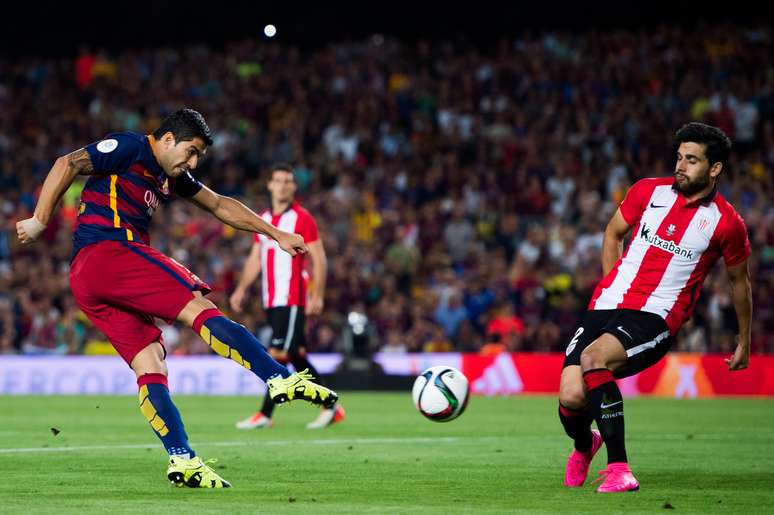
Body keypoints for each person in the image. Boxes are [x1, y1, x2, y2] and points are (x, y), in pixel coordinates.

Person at [15, 109, 339, 488]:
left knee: (151, 363)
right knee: (197, 307)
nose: (193, 161)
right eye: (191, 151)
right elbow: (67, 162)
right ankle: (277, 378)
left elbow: (219, 205)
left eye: (199, 155)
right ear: (168, 139)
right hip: (110, 252)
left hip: (89, 278)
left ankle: (182, 459)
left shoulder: (170, 174)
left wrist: (274, 233)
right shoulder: (131, 147)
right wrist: (40, 219)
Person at [558, 122, 752, 493]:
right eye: (679, 157)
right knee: (570, 396)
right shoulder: (648, 191)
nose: (681, 165)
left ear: (714, 169)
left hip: (655, 316)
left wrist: (744, 339)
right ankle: (587, 445)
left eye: (692, 160)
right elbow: (613, 233)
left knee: (594, 359)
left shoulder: (727, 223)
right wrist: (611, 284)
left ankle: (620, 470)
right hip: (608, 304)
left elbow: (739, 283)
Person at [230, 163, 345, 430]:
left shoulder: (302, 218)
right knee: (296, 355)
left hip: (293, 296)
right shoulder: (263, 219)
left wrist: (317, 295)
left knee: (277, 352)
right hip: (272, 298)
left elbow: (319, 258)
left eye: (287, 181)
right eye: (278, 180)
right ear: (270, 185)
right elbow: (255, 259)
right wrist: (241, 289)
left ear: (293, 187)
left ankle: (266, 414)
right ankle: (332, 406)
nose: (283, 185)